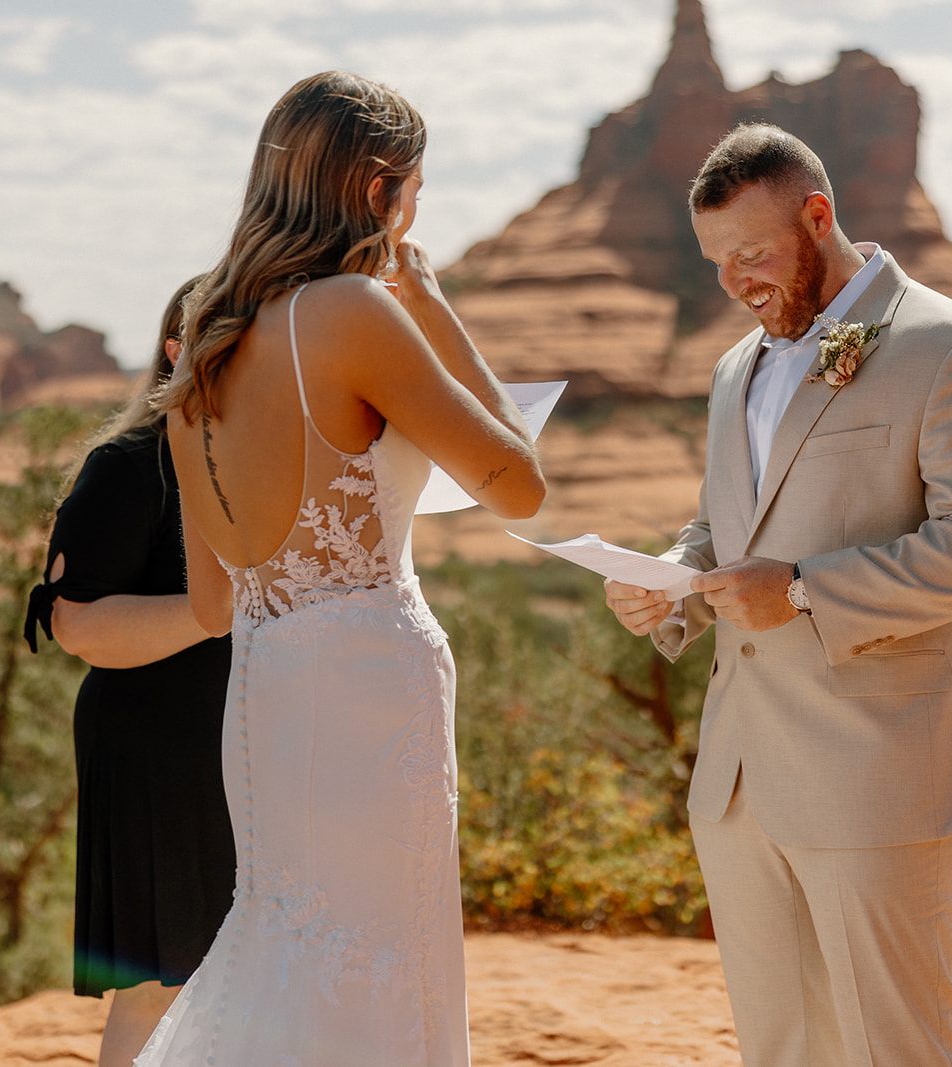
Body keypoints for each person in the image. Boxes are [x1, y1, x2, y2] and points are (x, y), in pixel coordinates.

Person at [605, 123, 952, 1066]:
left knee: (900, 1044)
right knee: (782, 1047)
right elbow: (732, 527)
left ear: (818, 216)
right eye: (716, 263)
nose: (736, 283)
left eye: (753, 254)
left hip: (876, 770)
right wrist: (670, 585)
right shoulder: (734, 368)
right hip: (738, 780)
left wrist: (803, 590)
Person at [133, 71, 545, 1066]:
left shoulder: (201, 338)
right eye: (413, 187)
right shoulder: (353, 309)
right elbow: (521, 485)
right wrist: (438, 311)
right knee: (383, 953)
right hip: (370, 682)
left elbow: (211, 599)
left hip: (265, 688)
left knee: (284, 939)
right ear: (377, 193)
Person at [22, 276, 236, 1067]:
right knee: (160, 975)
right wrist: (220, 610)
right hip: (155, 748)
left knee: (244, 958)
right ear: (177, 352)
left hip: (246, 738)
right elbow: (76, 623)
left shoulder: (265, 461)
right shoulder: (126, 466)